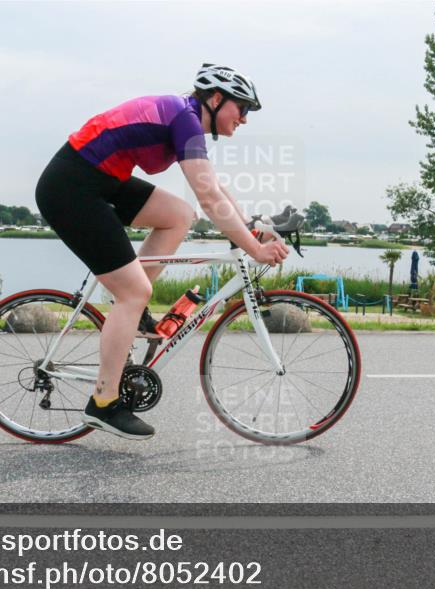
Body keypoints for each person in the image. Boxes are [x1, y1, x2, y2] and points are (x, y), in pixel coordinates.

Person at [34, 64, 289, 441]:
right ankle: (104, 403)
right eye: (243, 108)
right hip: (71, 187)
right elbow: (209, 196)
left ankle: (133, 312)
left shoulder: (187, 119)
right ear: (216, 100)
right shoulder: (184, 117)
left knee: (178, 215)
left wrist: (250, 229)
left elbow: (213, 188)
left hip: (102, 180)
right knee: (133, 291)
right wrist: (253, 248)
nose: (245, 119)